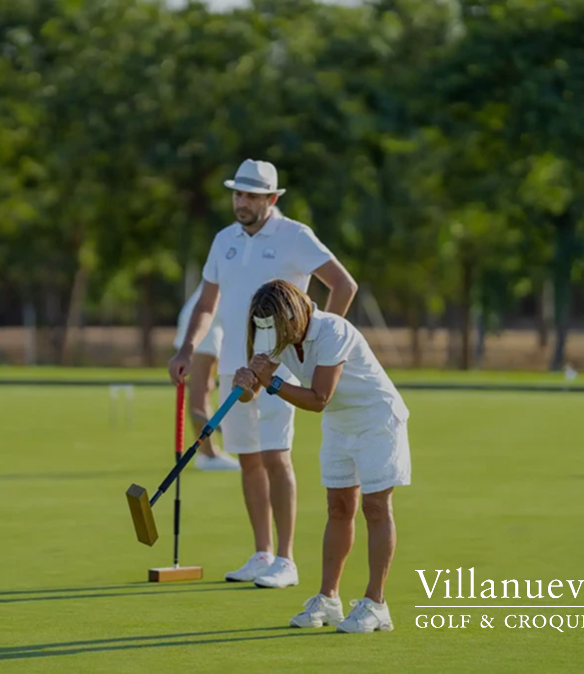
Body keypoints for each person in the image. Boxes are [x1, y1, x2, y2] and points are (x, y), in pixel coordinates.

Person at [168, 159, 357, 589]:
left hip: (278, 364)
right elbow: (206, 305)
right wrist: (186, 348)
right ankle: (261, 553)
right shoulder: (224, 241)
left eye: (252, 195)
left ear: (271, 199)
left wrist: (315, 343)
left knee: (276, 456)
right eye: (238, 193)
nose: (242, 202)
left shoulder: (295, 236)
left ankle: (286, 560)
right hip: (237, 368)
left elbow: (344, 286)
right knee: (249, 459)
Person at [232, 279, 411, 633]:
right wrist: (245, 385)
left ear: (293, 315)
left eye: (275, 325)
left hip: (377, 420)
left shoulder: (333, 330)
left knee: (374, 508)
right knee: (338, 508)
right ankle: (328, 600)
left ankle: (376, 604)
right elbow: (251, 392)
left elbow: (318, 399)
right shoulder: (278, 334)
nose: (271, 333)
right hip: (340, 425)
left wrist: (272, 383)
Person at [172, 280, 240, 471]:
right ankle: (207, 455)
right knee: (200, 389)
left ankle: (208, 452)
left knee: (206, 387)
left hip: (209, 323)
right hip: (202, 325)